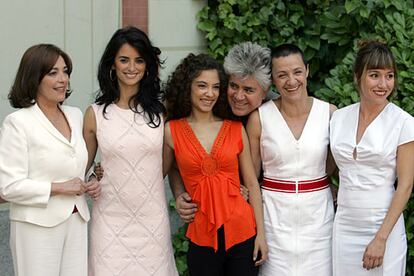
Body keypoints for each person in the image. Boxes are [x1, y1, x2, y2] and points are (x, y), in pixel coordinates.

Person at [83, 26, 178, 276]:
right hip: (109, 220)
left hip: (152, 219)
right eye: (124, 60)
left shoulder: (161, 112)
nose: (131, 67)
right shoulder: (94, 114)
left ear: (147, 65)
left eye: (139, 60)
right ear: (112, 64)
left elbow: (168, 165)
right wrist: (93, 177)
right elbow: (83, 165)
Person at [163, 53, 268, 275]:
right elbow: (167, 169)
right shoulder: (171, 131)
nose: (209, 94)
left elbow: (251, 183)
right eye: (202, 86)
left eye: (215, 87)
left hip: (244, 232)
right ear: (187, 87)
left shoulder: (235, 128)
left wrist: (261, 235)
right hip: (201, 236)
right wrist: (179, 192)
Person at [0, 44, 99, 276]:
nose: (63, 79)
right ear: (34, 77)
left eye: (66, 71)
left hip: (77, 220)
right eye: (53, 73)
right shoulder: (18, 122)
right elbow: (9, 186)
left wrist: (92, 177)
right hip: (36, 226)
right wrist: (60, 188)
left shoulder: (74, 115)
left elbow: (77, 164)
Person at [246, 43, 336, 275]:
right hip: (274, 222)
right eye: (282, 75)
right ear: (273, 80)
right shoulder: (260, 118)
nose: (291, 80)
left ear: (307, 70)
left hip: (318, 220)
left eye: (297, 72)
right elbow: (252, 178)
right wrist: (259, 234)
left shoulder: (329, 114)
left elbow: (335, 163)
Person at [330, 41, 414, 275]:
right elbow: (327, 167)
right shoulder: (338, 118)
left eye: (389, 76)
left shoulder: (403, 122)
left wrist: (381, 238)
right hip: (345, 226)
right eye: (374, 75)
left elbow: (405, 185)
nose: (383, 84)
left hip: (383, 226)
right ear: (358, 76)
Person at [172, 42, 272, 223]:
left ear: (265, 92)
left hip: (269, 211)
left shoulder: (275, 115)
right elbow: (175, 159)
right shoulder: (211, 105)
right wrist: (180, 194)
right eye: (234, 86)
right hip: (210, 216)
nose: (239, 96)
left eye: (248, 90)